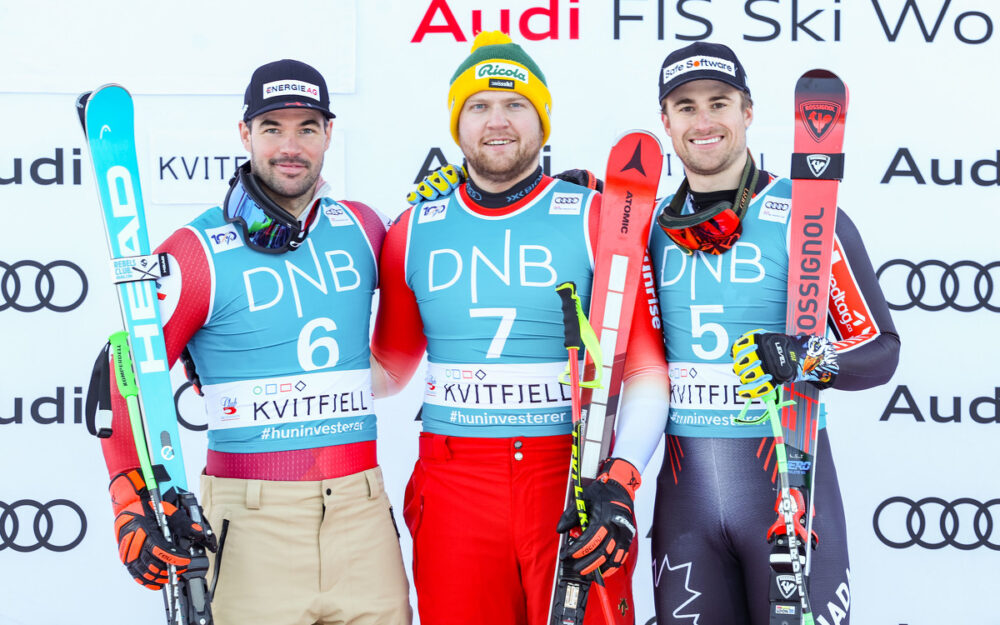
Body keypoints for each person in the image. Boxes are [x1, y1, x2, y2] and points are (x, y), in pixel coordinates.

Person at [98, 59, 411, 624]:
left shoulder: (365, 227)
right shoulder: (194, 251)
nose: (290, 146)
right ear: (244, 135)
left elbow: (444, 281)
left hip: (363, 517)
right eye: (272, 128)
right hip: (249, 524)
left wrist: (546, 195)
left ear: (329, 135)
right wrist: (130, 500)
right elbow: (125, 372)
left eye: (307, 127)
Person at [371, 31, 669, 625]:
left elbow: (644, 370)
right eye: (478, 106)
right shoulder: (413, 229)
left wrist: (621, 481)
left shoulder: (597, 216)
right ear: (458, 124)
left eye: (516, 105)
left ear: (543, 121)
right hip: (454, 482)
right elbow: (386, 374)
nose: (497, 121)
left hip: (571, 478)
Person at [608, 42, 901, 624]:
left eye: (720, 102)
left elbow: (881, 353)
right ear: (665, 123)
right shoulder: (646, 230)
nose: (704, 120)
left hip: (789, 493)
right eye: (686, 107)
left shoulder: (807, 213)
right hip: (685, 504)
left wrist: (807, 358)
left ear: (748, 112)